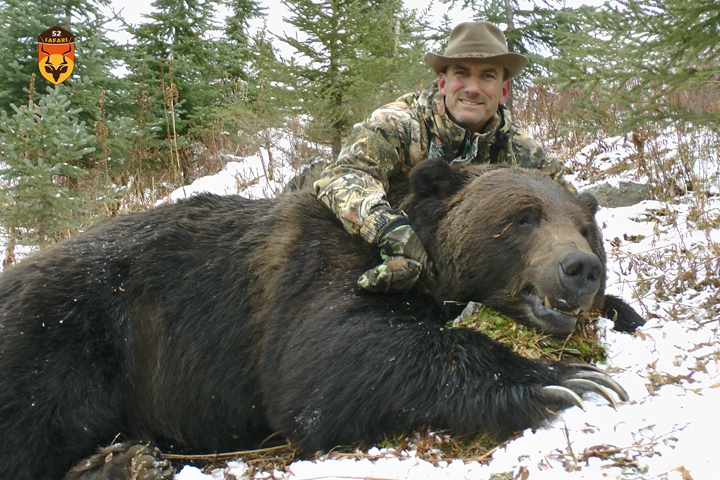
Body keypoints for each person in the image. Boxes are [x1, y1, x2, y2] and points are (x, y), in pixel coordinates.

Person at [312, 21, 571, 294]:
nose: (472, 87)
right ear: (443, 82)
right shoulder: (397, 123)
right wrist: (391, 230)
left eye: (487, 76)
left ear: (503, 90)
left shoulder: (522, 151)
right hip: (382, 236)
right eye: (462, 73)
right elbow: (343, 177)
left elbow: (567, 208)